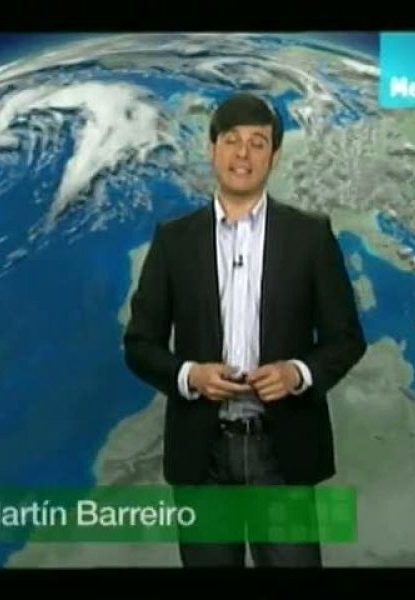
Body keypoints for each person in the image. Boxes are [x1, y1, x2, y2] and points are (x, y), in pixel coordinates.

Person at [122, 92, 366, 567]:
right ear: (212, 149)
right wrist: (190, 375)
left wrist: (297, 373)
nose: (243, 154)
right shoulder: (174, 241)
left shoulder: (310, 237)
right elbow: (140, 344)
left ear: (275, 156)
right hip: (202, 453)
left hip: (283, 450)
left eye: (258, 143)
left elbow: (346, 338)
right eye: (232, 140)